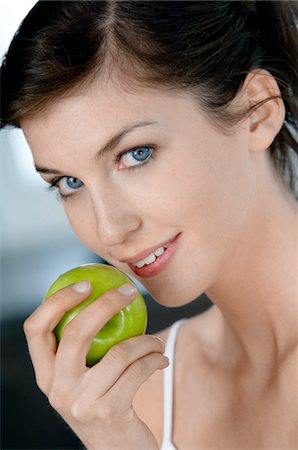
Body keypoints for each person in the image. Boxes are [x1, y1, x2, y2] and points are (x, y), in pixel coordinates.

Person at [1, 1, 297, 449]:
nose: (109, 230)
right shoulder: (137, 396)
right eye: (69, 182)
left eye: (136, 154)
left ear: (258, 111)